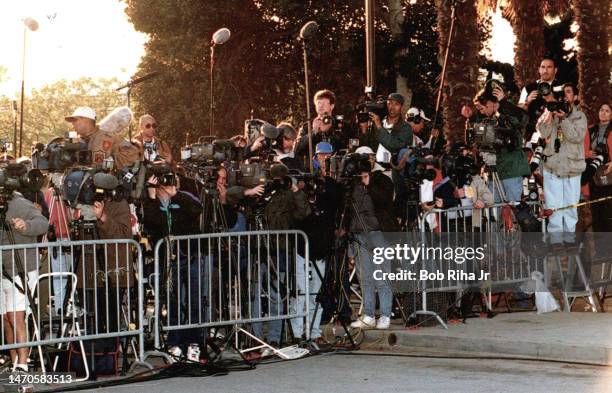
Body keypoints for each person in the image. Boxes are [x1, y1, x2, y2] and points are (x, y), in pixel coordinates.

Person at [142, 169, 207, 358]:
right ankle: (175, 342)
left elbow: (198, 210)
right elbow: (151, 224)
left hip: (191, 255)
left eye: (170, 178)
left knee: (195, 300)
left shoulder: (185, 196)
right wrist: (153, 197)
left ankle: (194, 340)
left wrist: (175, 195)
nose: (168, 182)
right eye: (163, 179)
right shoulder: (152, 201)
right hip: (169, 260)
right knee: (174, 302)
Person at [0, 183, 49, 373]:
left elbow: (43, 222)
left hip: (21, 268)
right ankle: (14, 364)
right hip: (3, 270)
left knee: (17, 316)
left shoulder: (19, 203)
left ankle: (23, 364)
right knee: (6, 318)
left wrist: (25, 225)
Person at [349, 156, 397, 330]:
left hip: (378, 234)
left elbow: (385, 200)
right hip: (359, 235)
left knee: (382, 276)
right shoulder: (352, 184)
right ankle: (368, 314)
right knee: (365, 278)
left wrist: (369, 184)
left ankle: (385, 314)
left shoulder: (381, 180)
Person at [536, 83, 587, 245]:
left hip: (572, 168)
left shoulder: (580, 116)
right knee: (553, 206)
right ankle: (556, 242)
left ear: (576, 97)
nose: (565, 95)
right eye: (563, 93)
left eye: (569, 92)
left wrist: (564, 119)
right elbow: (542, 132)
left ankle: (570, 240)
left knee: (570, 207)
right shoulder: (552, 111)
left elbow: (576, 137)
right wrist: (550, 113)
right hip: (553, 167)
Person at [462, 87, 530, 203]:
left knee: (513, 208)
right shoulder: (487, 120)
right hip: (493, 170)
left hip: (511, 169)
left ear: (489, 103)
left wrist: (503, 103)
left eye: (481, 108)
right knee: (494, 209)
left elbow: (523, 118)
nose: (481, 112)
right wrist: (471, 118)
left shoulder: (508, 113)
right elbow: (476, 140)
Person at [518, 57, 564, 140]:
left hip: (556, 133)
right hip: (532, 134)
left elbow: (569, 112)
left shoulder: (563, 88)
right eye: (543, 67)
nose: (545, 71)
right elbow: (518, 112)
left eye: (549, 67)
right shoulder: (528, 88)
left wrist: (552, 100)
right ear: (539, 69)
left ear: (555, 70)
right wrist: (527, 101)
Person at [586, 103, 612, 232]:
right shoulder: (590, 129)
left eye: (607, 111)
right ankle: (600, 246)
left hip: (609, 170)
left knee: (609, 210)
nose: (603, 112)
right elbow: (581, 148)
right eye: (601, 109)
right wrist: (587, 152)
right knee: (596, 210)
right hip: (593, 171)